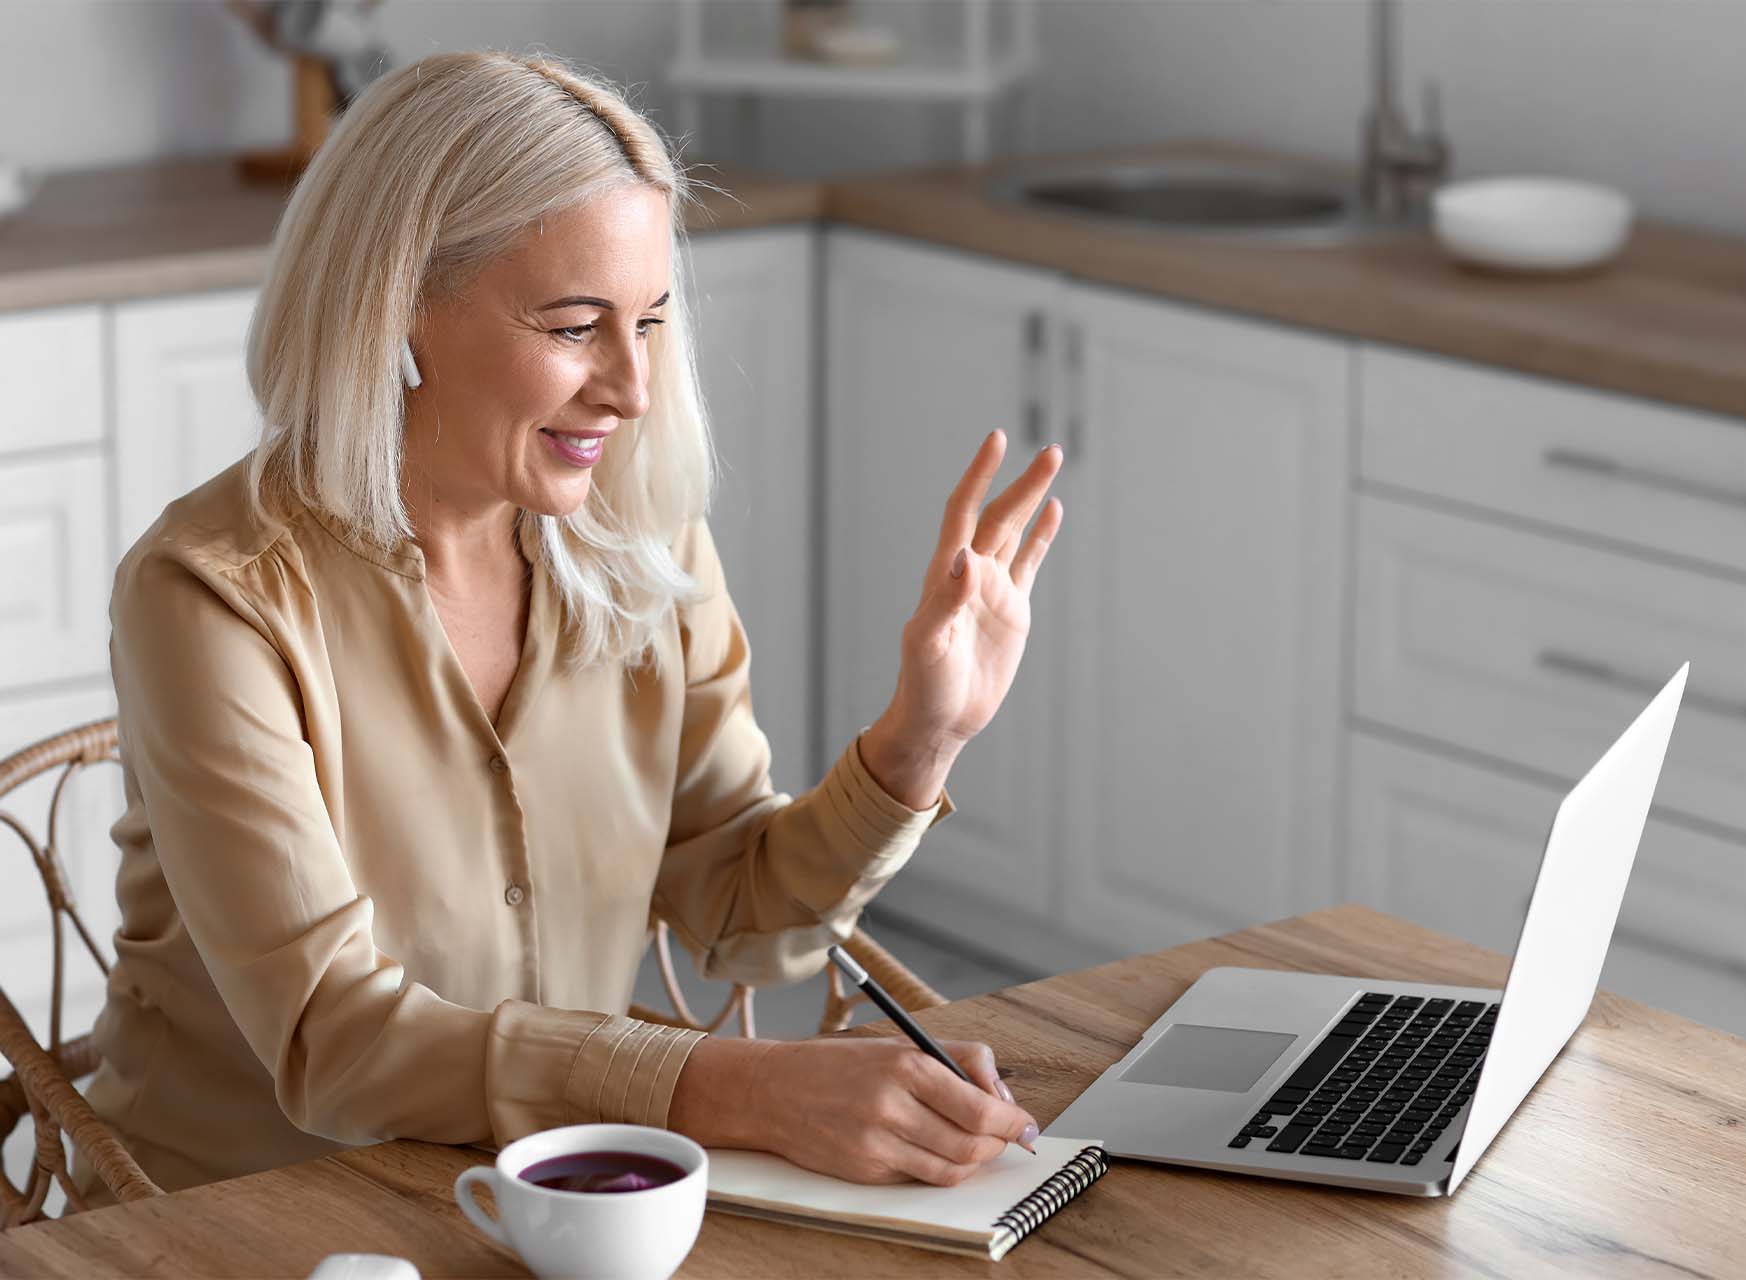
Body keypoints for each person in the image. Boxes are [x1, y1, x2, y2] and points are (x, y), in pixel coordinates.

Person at [75, 49, 1064, 1206]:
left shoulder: (646, 545)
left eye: (648, 320)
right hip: (242, 1216)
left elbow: (744, 914)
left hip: (567, 1196)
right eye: (574, 324)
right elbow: (332, 1036)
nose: (633, 387)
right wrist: (745, 1086)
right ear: (401, 307)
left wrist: (919, 740)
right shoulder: (212, 595)